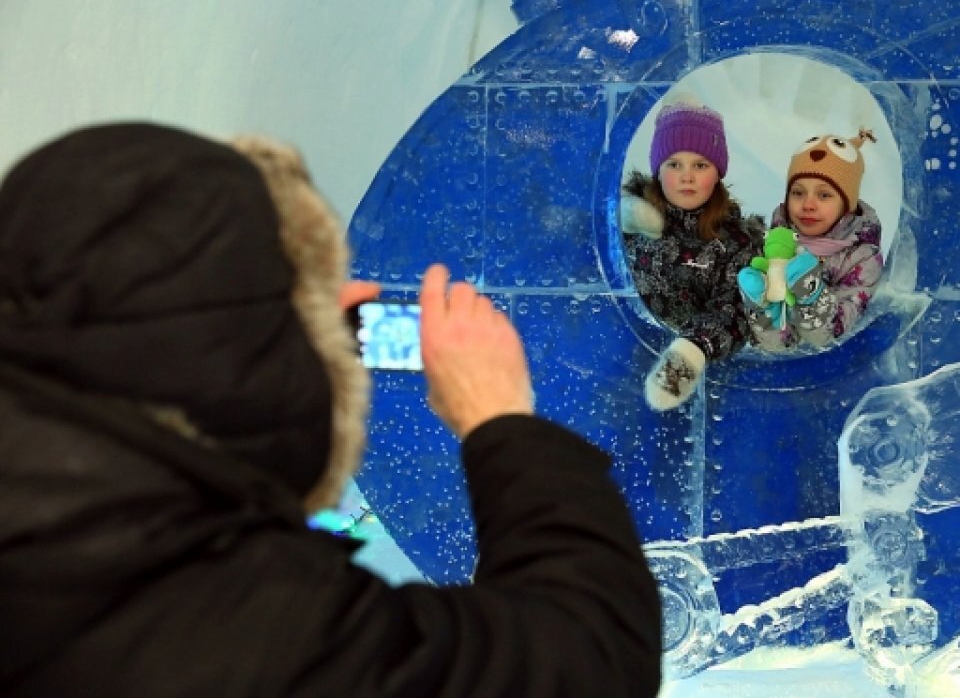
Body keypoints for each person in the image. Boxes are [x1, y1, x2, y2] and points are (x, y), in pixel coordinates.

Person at [0, 123, 661, 697]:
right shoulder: (243, 629)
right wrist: (499, 418)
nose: (352, 294)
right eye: (311, 291)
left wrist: (299, 336)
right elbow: (587, 654)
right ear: (234, 355)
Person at [620, 97, 762, 412]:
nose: (687, 176)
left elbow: (735, 311)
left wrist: (691, 352)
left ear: (718, 173)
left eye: (700, 165)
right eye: (674, 164)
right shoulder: (634, 221)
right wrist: (625, 216)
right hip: (624, 356)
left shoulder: (733, 242)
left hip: (699, 376)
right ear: (658, 170)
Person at [739, 129, 884, 349]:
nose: (808, 204)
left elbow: (830, 335)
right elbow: (778, 345)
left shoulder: (861, 258)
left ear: (847, 205)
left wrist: (811, 295)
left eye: (824, 195)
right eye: (798, 193)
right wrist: (762, 308)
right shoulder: (778, 239)